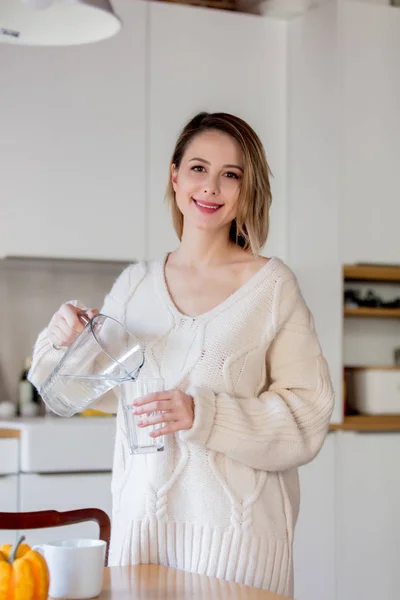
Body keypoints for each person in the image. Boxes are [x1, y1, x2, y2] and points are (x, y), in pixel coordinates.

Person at [28, 111, 334, 597]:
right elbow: (68, 393)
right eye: (198, 168)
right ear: (174, 176)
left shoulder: (272, 287)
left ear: (245, 188)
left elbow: (307, 418)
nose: (211, 187)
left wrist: (204, 414)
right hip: (142, 536)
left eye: (230, 175)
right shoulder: (135, 286)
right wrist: (62, 339)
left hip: (239, 545)